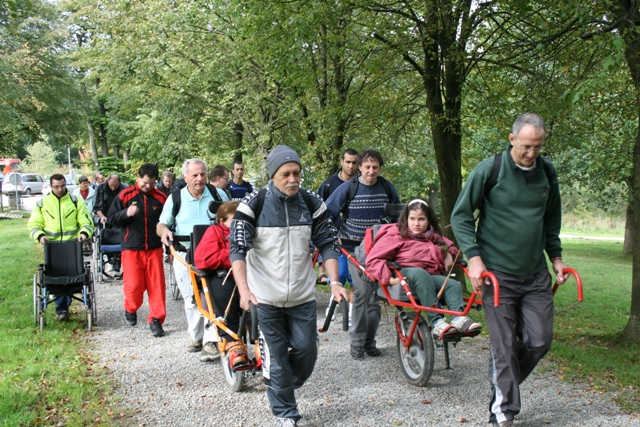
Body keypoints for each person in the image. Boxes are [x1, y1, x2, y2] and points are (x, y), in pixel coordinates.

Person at [450, 113, 569, 427]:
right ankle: (503, 412)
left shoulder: (547, 172)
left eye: (538, 147)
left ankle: (502, 377)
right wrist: (473, 258)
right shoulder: (490, 169)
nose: (532, 153)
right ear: (512, 138)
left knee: (540, 341)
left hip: (535, 273)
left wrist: (555, 258)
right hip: (497, 274)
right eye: (527, 146)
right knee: (503, 345)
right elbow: (461, 216)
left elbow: (551, 220)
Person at [229, 145, 345, 427]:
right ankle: (285, 413)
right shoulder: (252, 204)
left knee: (307, 351)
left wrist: (335, 282)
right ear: (273, 175)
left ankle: (277, 382)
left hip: (302, 297)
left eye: (297, 173)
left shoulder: (311, 202)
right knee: (278, 358)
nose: (293, 179)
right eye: (286, 174)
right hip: (265, 299)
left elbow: (328, 244)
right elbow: (237, 250)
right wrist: (244, 290)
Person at [366, 199, 481, 339]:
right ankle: (436, 322)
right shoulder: (395, 235)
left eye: (421, 219)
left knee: (453, 284)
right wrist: (388, 278)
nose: (416, 223)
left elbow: (451, 247)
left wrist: (449, 255)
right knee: (420, 274)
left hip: (429, 274)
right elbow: (373, 259)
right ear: (406, 219)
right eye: (412, 219)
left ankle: (459, 320)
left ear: (428, 220)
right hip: (404, 273)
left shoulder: (433, 237)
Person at [325, 149, 400, 360]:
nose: (371, 171)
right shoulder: (349, 188)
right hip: (352, 249)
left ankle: (369, 343)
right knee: (362, 293)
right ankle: (356, 344)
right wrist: (336, 235)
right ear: (359, 167)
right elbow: (327, 213)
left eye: (375, 167)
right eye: (367, 167)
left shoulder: (386, 187)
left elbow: (398, 214)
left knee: (375, 298)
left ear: (379, 168)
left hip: (379, 250)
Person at [157, 159, 220, 361]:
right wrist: (165, 232)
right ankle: (196, 336)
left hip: (212, 253)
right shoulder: (176, 198)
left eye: (202, 174)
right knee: (191, 298)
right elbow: (162, 224)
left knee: (212, 295)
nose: (199, 178)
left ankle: (211, 340)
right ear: (185, 178)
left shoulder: (218, 195)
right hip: (184, 253)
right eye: (194, 175)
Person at [108, 163, 168, 337]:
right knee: (133, 286)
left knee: (157, 287)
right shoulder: (125, 195)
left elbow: (168, 222)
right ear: (138, 178)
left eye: (151, 183)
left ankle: (156, 320)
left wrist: (169, 250)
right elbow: (111, 219)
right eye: (144, 182)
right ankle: (130, 308)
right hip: (132, 248)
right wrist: (125, 213)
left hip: (155, 248)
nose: (147, 186)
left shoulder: (161, 198)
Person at [27, 173, 94, 321]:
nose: (59, 189)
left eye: (62, 186)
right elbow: (34, 225)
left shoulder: (76, 202)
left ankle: (63, 308)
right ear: (51, 186)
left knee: (72, 276)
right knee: (54, 275)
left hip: (72, 246)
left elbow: (86, 221)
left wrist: (83, 233)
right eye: (56, 187)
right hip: (52, 247)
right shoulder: (42, 204)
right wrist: (40, 236)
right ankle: (62, 309)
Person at [193, 201, 248, 369]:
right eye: (235, 220)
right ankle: (233, 344)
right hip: (223, 275)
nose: (239, 224)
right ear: (222, 221)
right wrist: (234, 256)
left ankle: (259, 341)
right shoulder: (214, 231)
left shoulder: (249, 233)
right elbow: (203, 259)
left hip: (248, 275)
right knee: (225, 295)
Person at [316, 148, 359, 314]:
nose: (351, 166)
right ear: (342, 162)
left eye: (354, 162)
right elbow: (320, 212)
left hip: (357, 240)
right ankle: (334, 303)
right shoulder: (328, 185)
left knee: (357, 278)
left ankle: (352, 312)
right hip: (335, 239)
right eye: (348, 162)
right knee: (339, 274)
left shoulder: (363, 183)